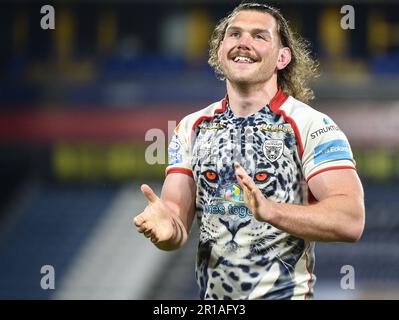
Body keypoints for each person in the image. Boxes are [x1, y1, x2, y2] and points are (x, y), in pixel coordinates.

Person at [133, 2, 365, 300]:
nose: (244, 43)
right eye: (235, 34)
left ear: (283, 57)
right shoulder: (190, 127)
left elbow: (351, 219)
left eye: (259, 36)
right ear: (219, 51)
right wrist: (167, 231)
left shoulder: (312, 125)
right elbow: (175, 224)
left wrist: (271, 211)